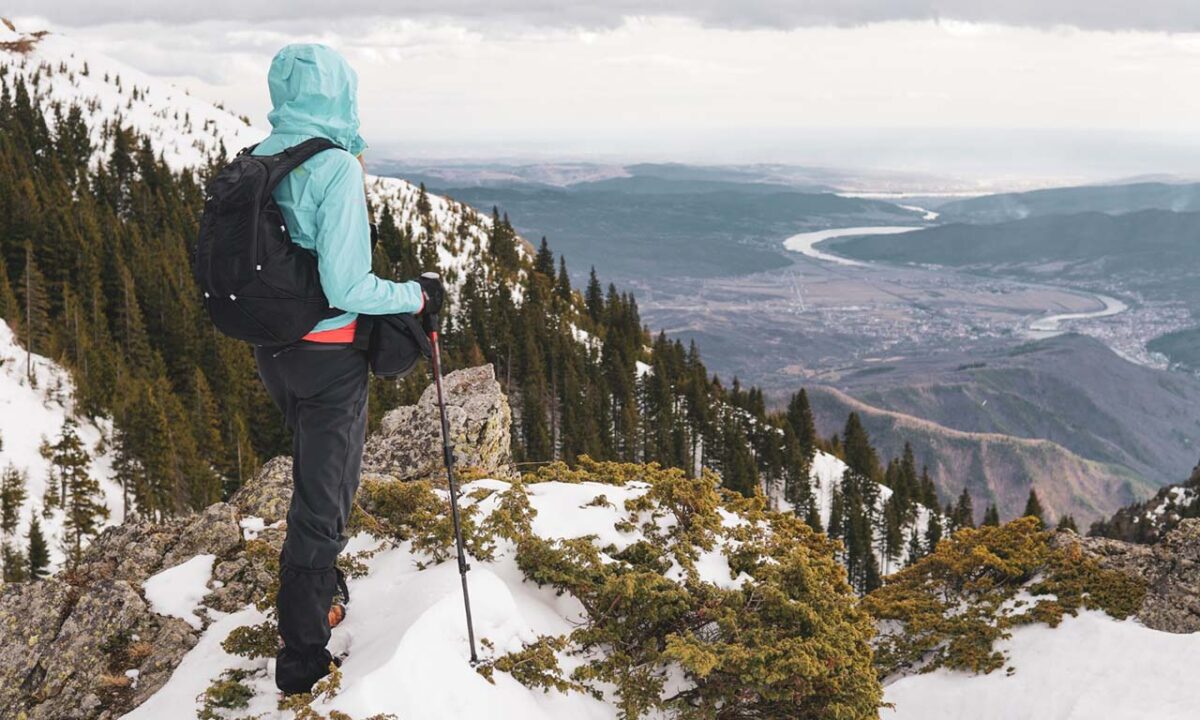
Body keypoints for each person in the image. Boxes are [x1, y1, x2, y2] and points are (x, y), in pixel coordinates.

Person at [251, 43, 444, 695]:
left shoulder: (259, 159)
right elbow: (348, 286)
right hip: (329, 356)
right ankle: (302, 654)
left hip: (274, 351)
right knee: (324, 500)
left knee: (320, 478)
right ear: (340, 94)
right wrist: (416, 296)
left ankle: (321, 586)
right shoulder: (331, 165)